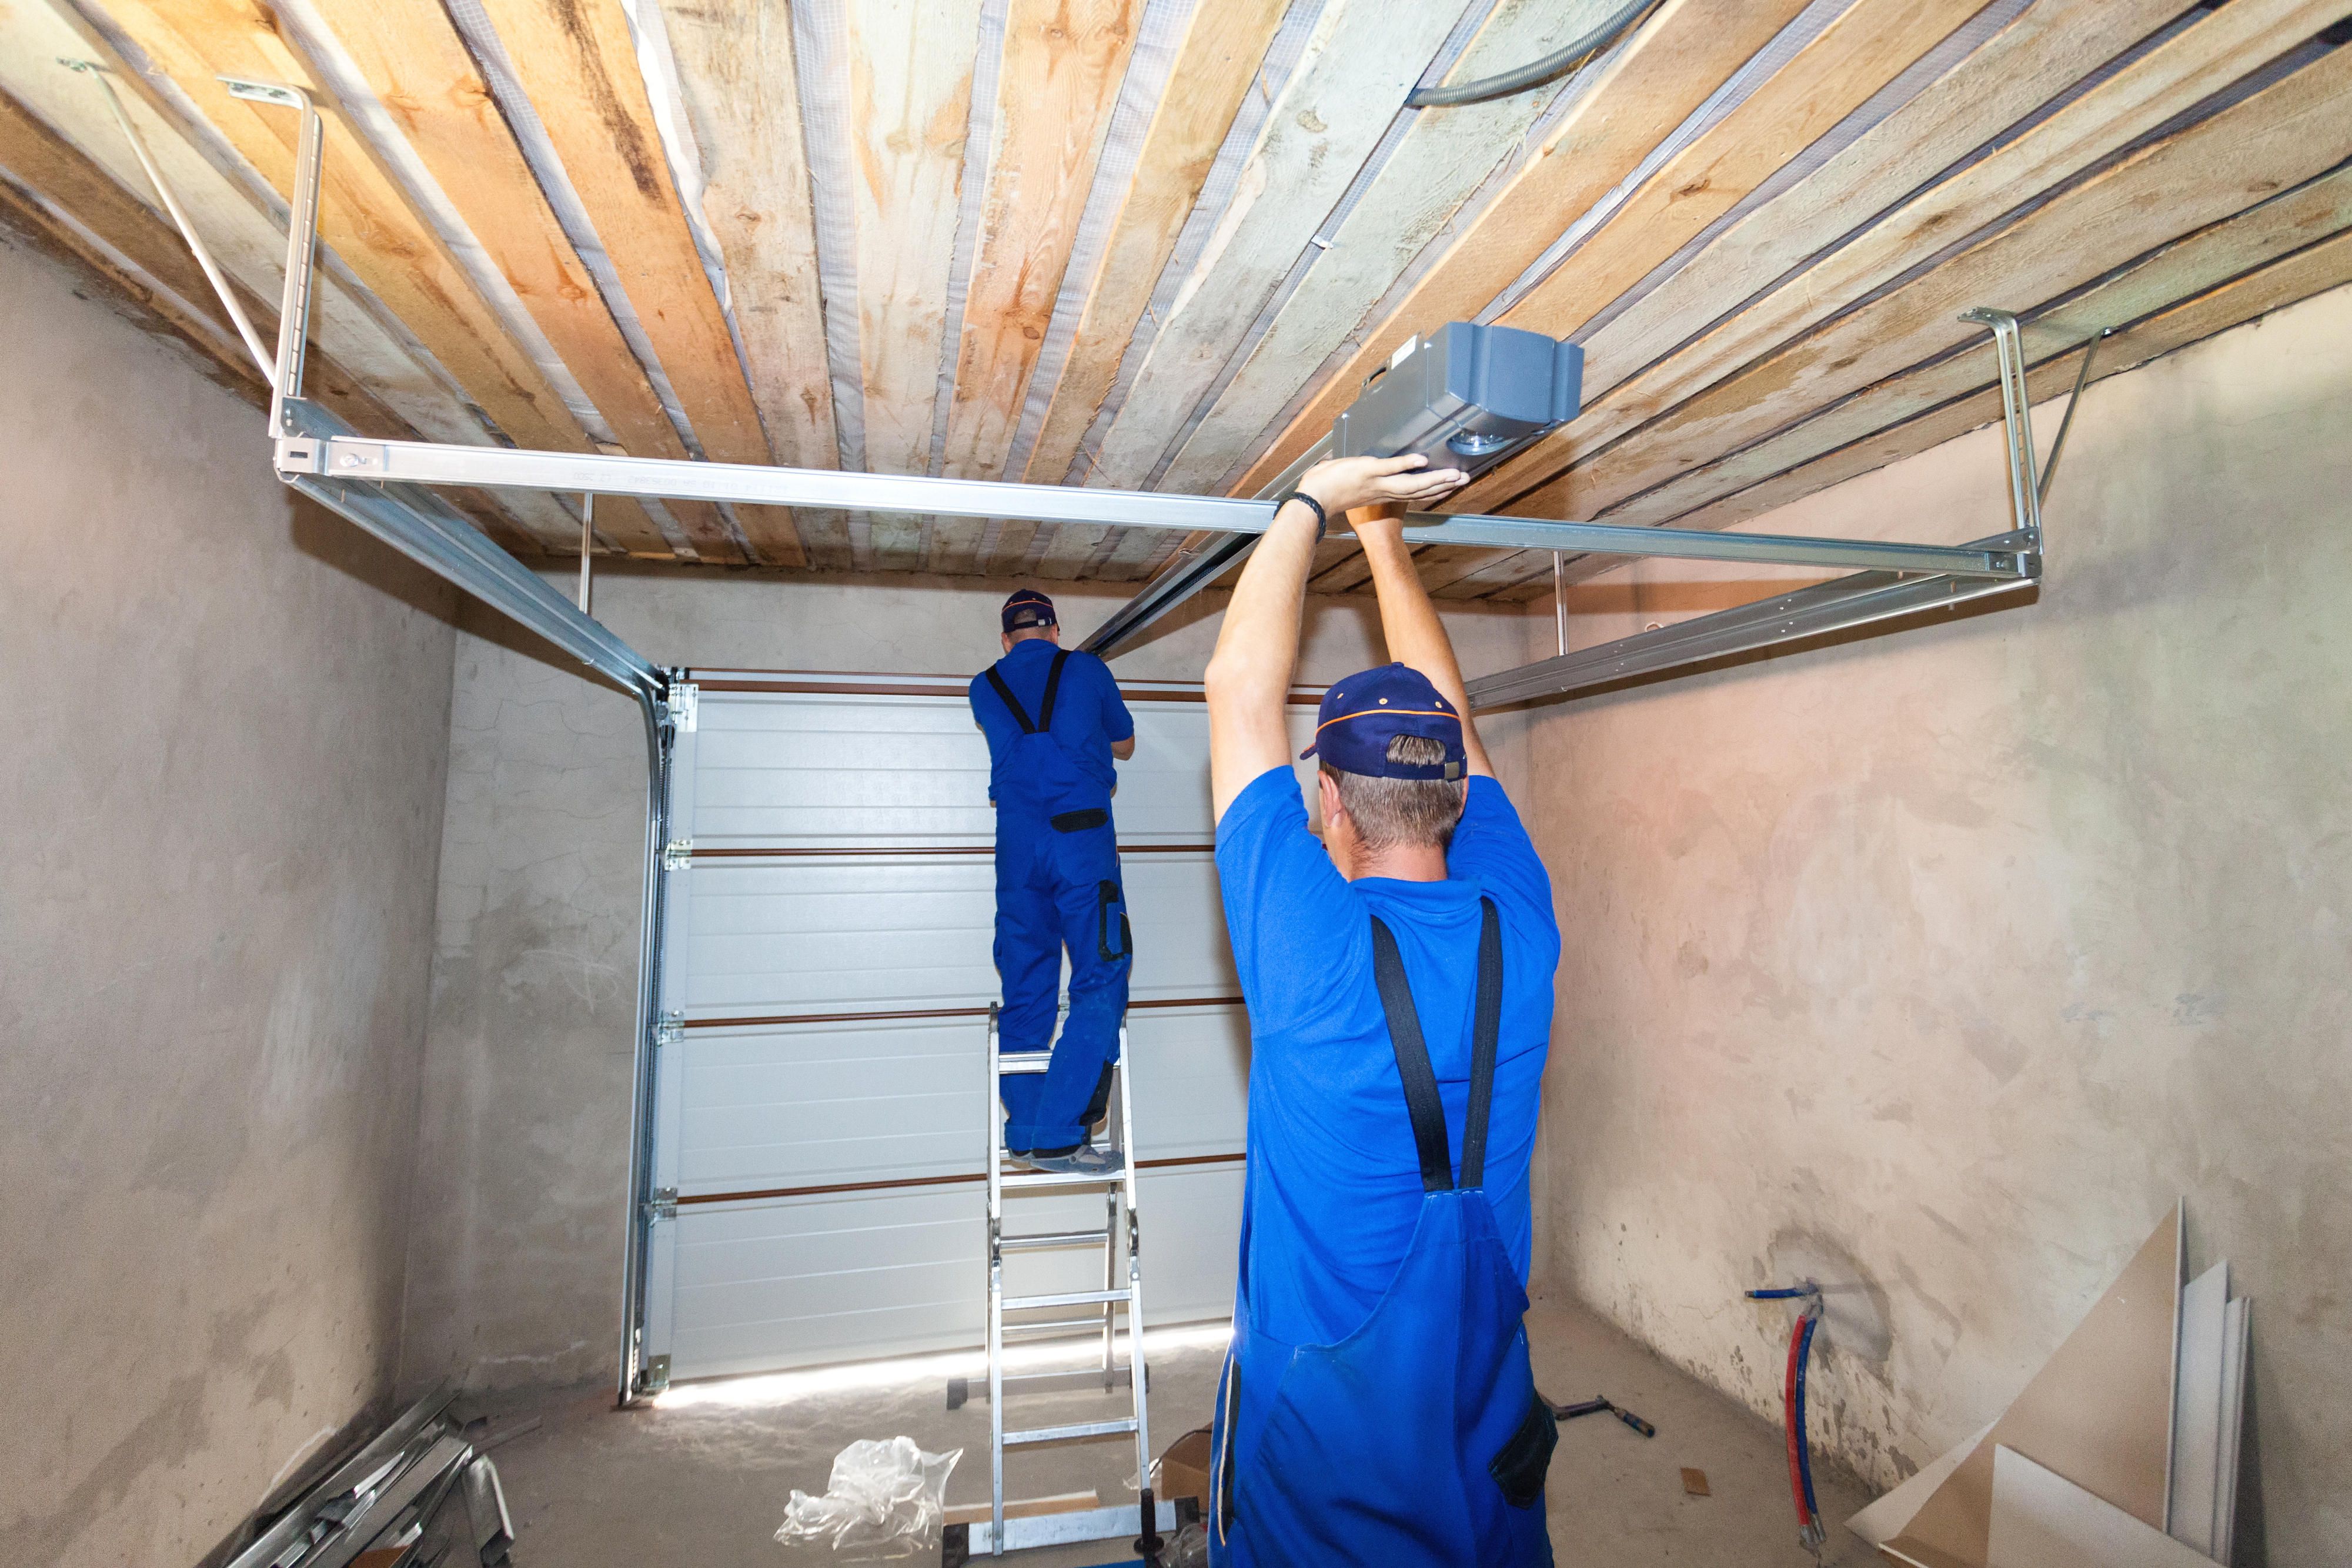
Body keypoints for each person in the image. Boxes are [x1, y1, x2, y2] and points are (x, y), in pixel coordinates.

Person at [1202, 457, 1562, 1566]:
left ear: (1326, 802)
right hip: (1486, 1423)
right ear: (1458, 793)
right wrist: (1382, 539)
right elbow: (1440, 716)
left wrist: (1312, 494)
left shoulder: (1309, 952)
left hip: (1322, 1471)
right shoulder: (1524, 922)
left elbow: (1234, 690)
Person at [969, 589, 1138, 1174]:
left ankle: (1025, 1131)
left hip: (1018, 852)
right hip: (1080, 845)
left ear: (1005, 639)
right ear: (1055, 629)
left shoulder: (982, 686)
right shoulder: (1087, 669)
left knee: (1026, 985)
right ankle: (1062, 1134)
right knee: (1100, 975)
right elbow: (1125, 742)